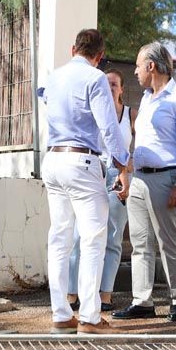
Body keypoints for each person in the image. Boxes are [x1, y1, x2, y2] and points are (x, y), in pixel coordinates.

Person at [40, 28, 131, 335]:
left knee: (60, 237)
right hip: (81, 160)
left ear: (72, 49)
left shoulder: (52, 78)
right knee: (93, 239)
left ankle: (61, 313)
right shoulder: (95, 79)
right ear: (100, 56)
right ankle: (90, 317)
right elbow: (108, 127)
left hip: (52, 159)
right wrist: (122, 162)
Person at [113, 42, 176, 323]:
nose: (136, 71)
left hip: (167, 179)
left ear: (151, 66)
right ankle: (143, 301)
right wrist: (126, 172)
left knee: (169, 242)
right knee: (140, 242)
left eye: (138, 65)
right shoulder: (148, 99)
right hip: (140, 178)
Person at [67, 69, 133, 312]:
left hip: (119, 174)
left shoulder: (129, 114)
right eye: (106, 83)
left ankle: (105, 294)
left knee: (113, 237)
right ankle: (72, 293)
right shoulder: (92, 111)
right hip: (93, 172)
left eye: (114, 83)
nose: (110, 87)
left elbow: (142, 141)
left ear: (122, 89)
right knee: (79, 235)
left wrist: (129, 165)